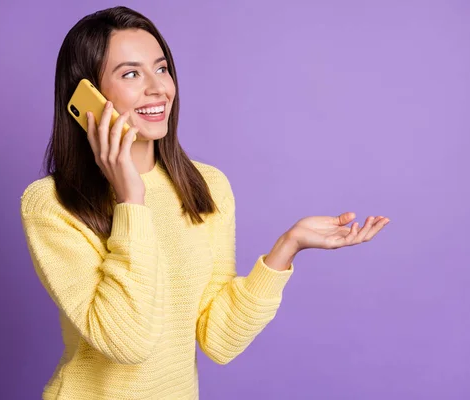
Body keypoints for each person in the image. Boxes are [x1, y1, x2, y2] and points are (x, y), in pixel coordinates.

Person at [20, 5, 390, 400]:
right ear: (87, 94)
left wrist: (287, 247)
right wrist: (131, 199)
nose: (158, 88)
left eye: (161, 69)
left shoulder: (206, 186)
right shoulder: (52, 204)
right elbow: (127, 342)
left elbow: (218, 339)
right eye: (131, 74)